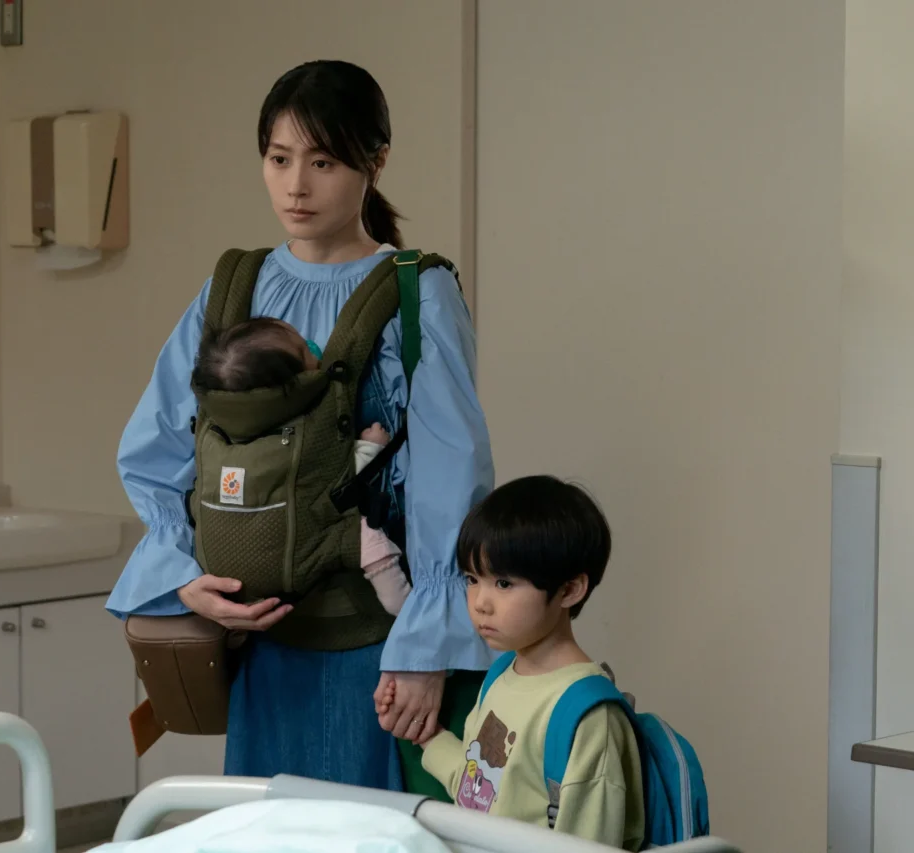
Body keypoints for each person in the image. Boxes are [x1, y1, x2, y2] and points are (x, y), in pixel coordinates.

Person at [106, 58, 495, 793]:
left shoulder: (418, 294)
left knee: (365, 830)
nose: (296, 186)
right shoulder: (234, 286)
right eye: (279, 159)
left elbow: (451, 477)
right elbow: (155, 447)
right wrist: (182, 577)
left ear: (376, 162)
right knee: (267, 826)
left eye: (323, 162)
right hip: (259, 642)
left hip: (374, 643)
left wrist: (425, 648)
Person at [391, 475, 646, 850]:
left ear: (569, 590)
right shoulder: (501, 674)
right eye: (472, 579)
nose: (480, 603)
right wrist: (428, 737)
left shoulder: (588, 717)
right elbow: (478, 788)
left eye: (504, 584)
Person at [191, 315, 411, 615]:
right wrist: (371, 446)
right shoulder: (305, 431)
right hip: (291, 565)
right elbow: (337, 479)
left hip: (217, 570)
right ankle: (403, 606)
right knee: (366, 535)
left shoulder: (213, 430)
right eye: (304, 350)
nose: (313, 347)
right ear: (290, 386)